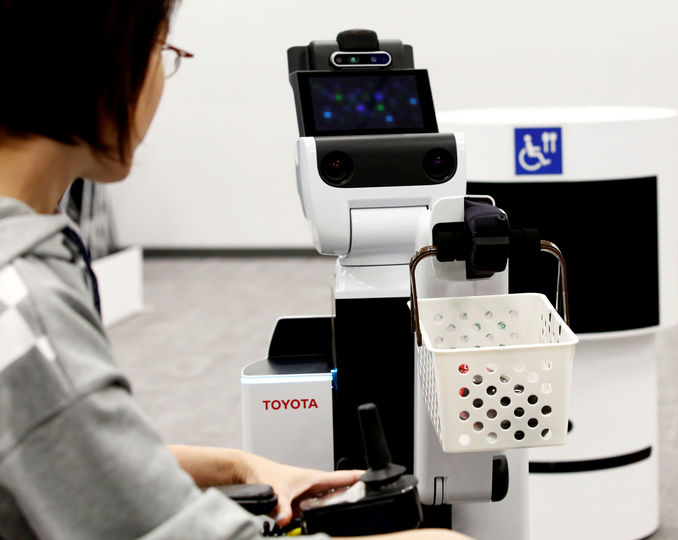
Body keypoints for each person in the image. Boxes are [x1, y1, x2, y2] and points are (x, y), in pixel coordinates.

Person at [0, 2, 471, 539]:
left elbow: (68, 449)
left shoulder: (29, 271)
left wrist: (236, 466)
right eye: (163, 51)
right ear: (102, 57)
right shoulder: (25, 305)